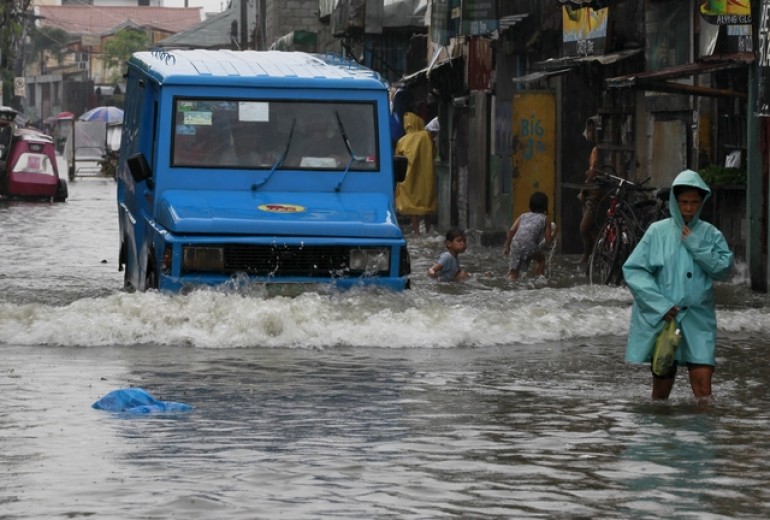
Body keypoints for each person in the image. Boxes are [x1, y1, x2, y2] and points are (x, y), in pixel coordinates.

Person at [622, 169, 733, 405]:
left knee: (704, 388)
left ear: (702, 202)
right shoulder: (657, 232)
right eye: (684, 202)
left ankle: (701, 439)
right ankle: (662, 438)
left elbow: (724, 269)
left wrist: (696, 245)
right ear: (675, 201)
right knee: (661, 394)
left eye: (695, 202)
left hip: (699, 318)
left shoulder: (711, 234)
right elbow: (634, 270)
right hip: (665, 321)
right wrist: (660, 305)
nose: (689, 208)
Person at [395, 112, 437, 235]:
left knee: (413, 206)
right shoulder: (426, 136)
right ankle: (428, 230)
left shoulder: (401, 140)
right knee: (426, 205)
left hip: (408, 178)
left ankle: (416, 232)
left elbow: (397, 158)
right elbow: (434, 153)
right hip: (426, 177)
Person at [503, 191, 556, 280]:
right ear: (545, 206)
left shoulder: (523, 216)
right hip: (529, 245)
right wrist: (555, 232)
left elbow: (512, 230)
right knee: (541, 259)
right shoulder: (545, 219)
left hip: (515, 243)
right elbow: (548, 241)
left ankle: (511, 288)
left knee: (513, 271)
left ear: (530, 205)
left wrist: (507, 246)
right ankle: (539, 280)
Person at [578, 116, 601, 268]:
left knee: (585, 227)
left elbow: (593, 169)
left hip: (595, 193)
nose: (591, 134)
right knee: (592, 229)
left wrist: (583, 188)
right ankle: (593, 256)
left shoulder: (597, 150)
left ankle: (588, 255)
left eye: (593, 130)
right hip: (594, 193)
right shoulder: (596, 149)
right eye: (589, 130)